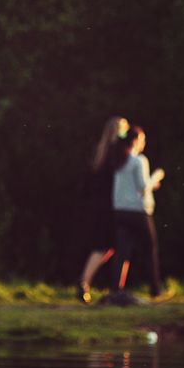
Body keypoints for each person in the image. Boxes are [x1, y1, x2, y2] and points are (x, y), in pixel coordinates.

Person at [108, 125, 165, 304]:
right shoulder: (138, 160)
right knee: (150, 249)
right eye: (143, 140)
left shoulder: (120, 162)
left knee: (123, 252)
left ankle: (116, 289)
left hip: (120, 211)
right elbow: (142, 187)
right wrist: (156, 176)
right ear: (136, 141)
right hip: (138, 212)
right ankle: (155, 289)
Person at [76, 116, 130, 304]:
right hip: (110, 206)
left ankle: (87, 282)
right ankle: (91, 284)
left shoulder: (99, 151)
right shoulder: (117, 152)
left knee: (105, 247)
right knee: (111, 246)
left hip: (98, 205)